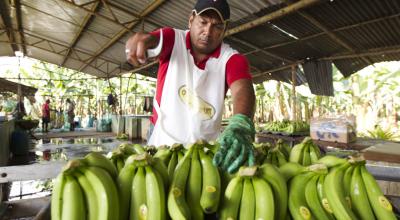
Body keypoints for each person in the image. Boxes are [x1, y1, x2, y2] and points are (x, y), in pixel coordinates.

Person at [125, 0, 255, 174]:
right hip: (162, 145)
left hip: (205, 154)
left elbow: (242, 89)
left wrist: (240, 123)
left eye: (217, 26)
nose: (207, 32)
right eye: (203, 22)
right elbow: (155, 39)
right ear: (191, 19)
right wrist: (142, 40)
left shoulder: (231, 59)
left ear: (225, 29)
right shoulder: (174, 40)